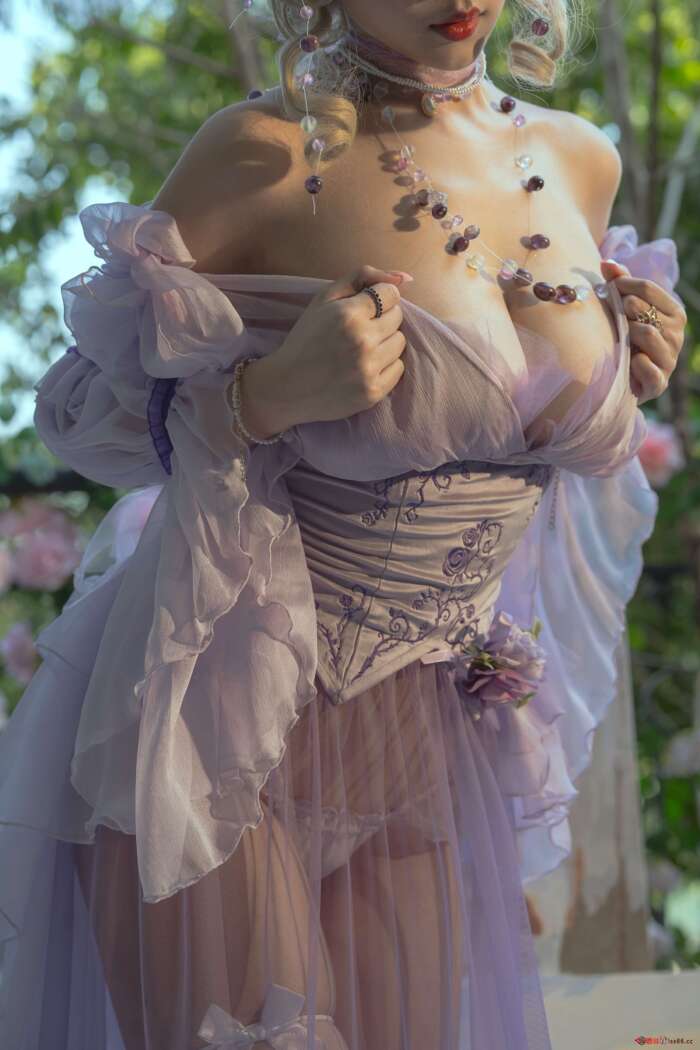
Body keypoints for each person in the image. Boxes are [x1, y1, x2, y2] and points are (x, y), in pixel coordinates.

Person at [0, 2, 687, 1048]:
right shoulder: (261, 153)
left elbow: (533, 419)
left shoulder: (579, 159)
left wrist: (628, 369)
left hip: (424, 751)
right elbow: (79, 417)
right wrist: (266, 394)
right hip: (218, 729)